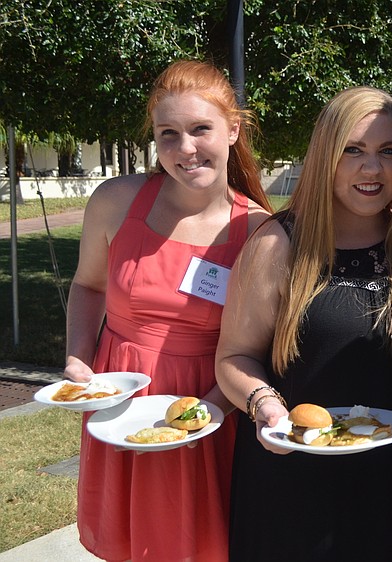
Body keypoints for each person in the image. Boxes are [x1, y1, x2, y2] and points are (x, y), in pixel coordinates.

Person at [215, 86, 392, 562]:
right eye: (352, 150)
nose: (372, 168)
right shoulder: (278, 245)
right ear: (324, 157)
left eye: (388, 152)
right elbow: (234, 357)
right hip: (300, 485)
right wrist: (265, 409)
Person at [64, 59, 273, 561]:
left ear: (233, 129)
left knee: (200, 544)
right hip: (121, 405)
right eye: (168, 134)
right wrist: (79, 362)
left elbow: (259, 346)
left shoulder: (261, 231)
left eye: (201, 129)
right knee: (133, 541)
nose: (185, 149)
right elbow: (88, 286)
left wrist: (207, 413)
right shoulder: (116, 201)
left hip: (208, 408)